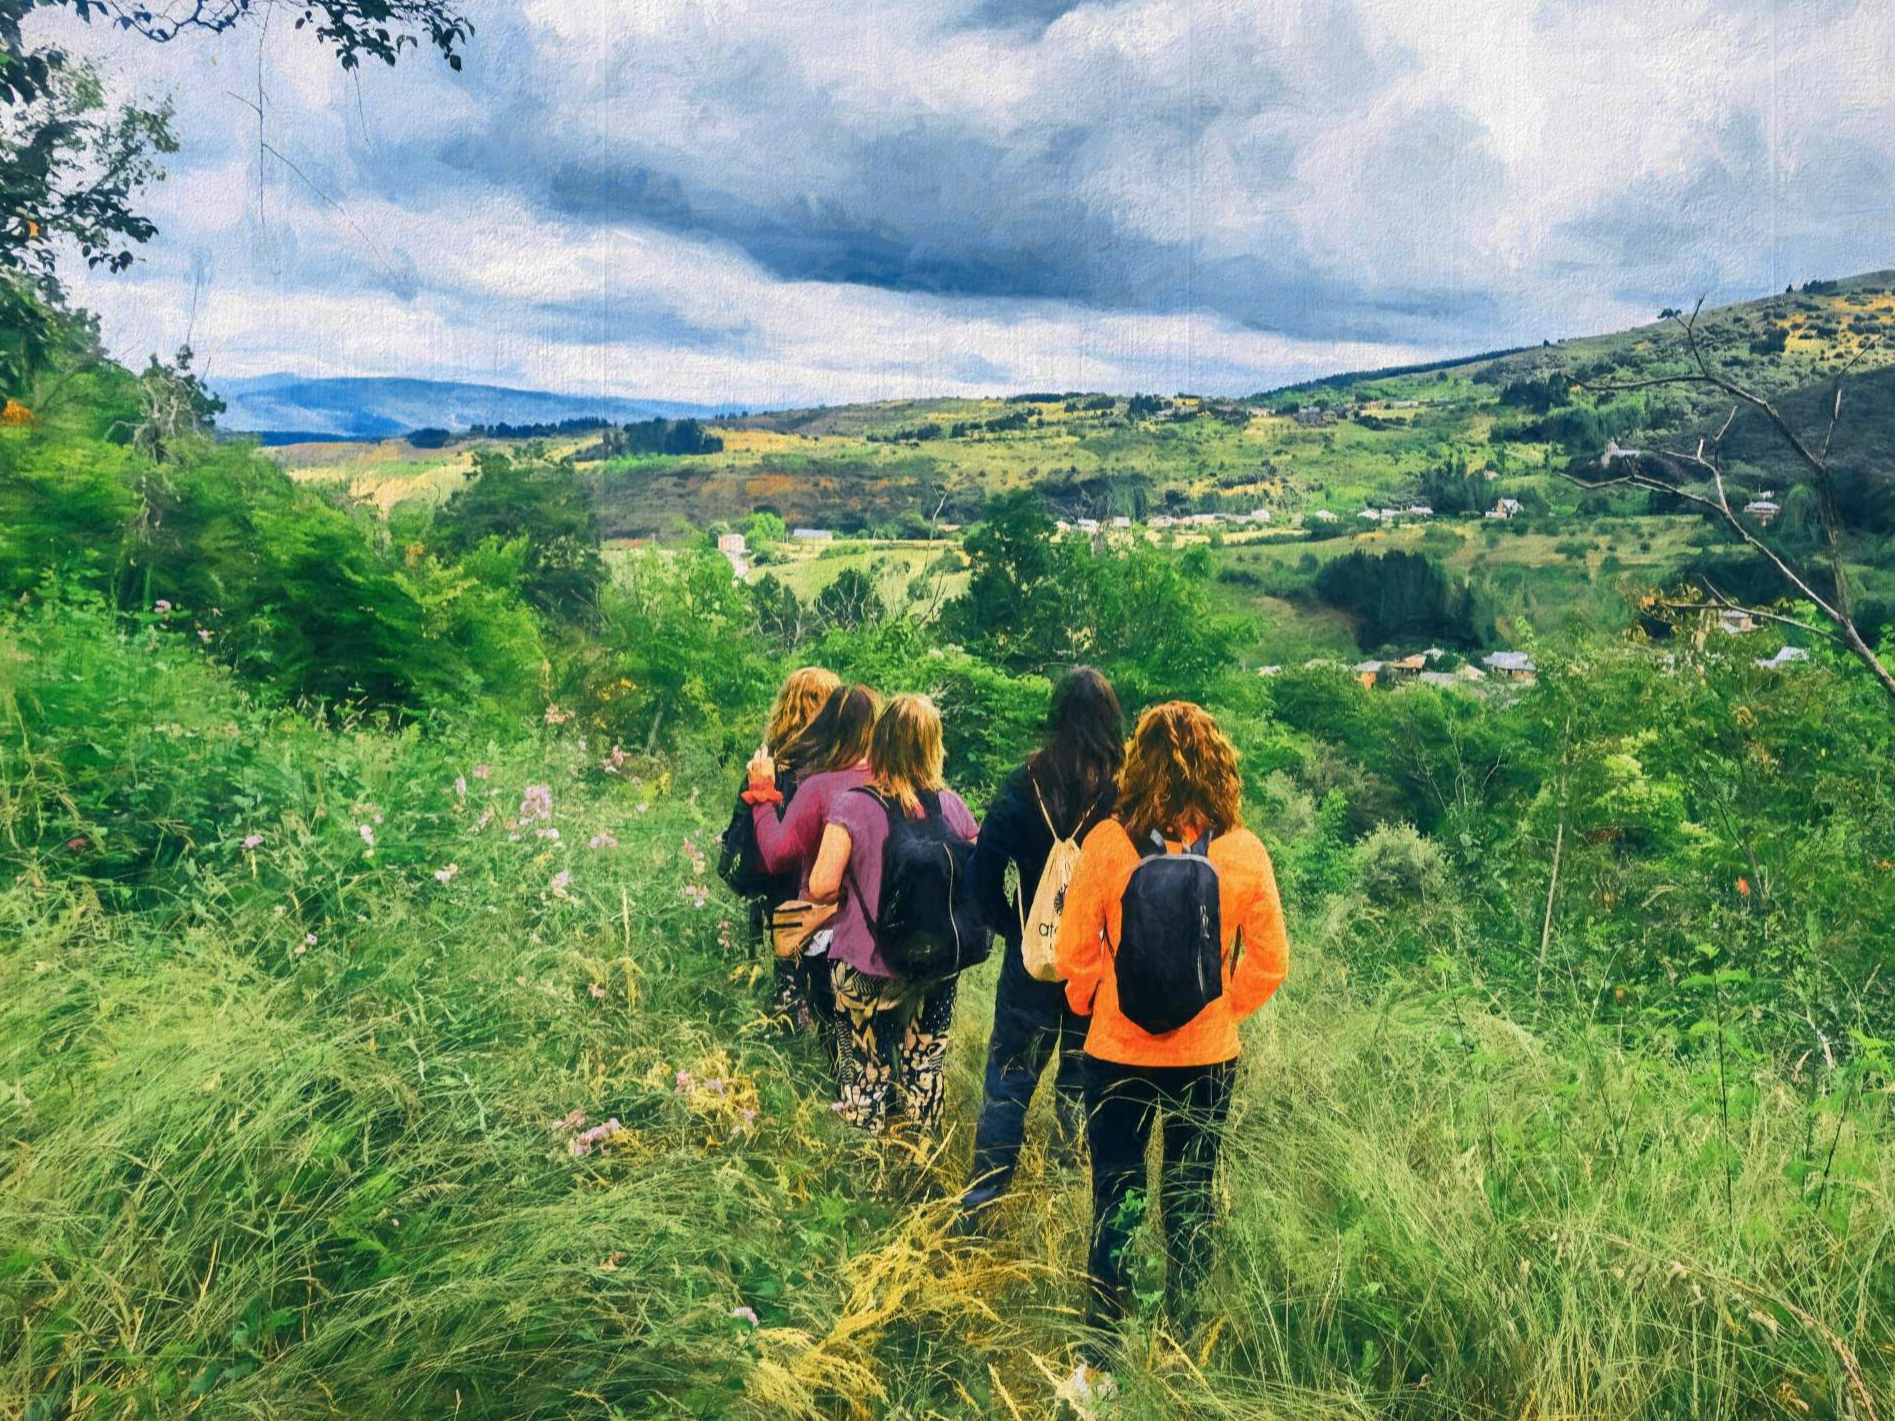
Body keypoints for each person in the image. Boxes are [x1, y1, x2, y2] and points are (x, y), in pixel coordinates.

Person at [1054, 700, 1289, 1364]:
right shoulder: (1244, 851)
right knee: (1190, 1200)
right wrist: (1218, 1008)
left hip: (1114, 1052)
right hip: (1207, 1057)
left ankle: (1100, 1354)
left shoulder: (1106, 842)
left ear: (1138, 763)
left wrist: (1097, 1001)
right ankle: (1183, 1349)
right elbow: (1271, 962)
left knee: (1114, 1198)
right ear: (1220, 768)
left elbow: (1073, 955)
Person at [959, 666, 1124, 1225]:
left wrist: (1014, 927)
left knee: (1008, 1081)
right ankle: (1065, 1203)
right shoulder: (1122, 793)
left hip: (1032, 964)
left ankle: (981, 1208)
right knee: (1079, 1081)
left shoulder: (1025, 782)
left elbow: (981, 874)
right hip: (1096, 970)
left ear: (1056, 713)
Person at [806, 694, 980, 1133]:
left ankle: (869, 1160)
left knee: (864, 1066)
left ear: (879, 743)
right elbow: (976, 874)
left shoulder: (853, 804)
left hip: (866, 967)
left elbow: (821, 885)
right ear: (933, 746)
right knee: (926, 1065)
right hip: (938, 963)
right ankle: (922, 1159)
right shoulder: (953, 806)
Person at [743, 683, 878, 1043]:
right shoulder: (891, 782)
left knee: (839, 1047)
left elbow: (777, 853)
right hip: (883, 933)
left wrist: (762, 798)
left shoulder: (820, 788)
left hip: (828, 936)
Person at [721, 667, 838, 1022]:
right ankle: (823, 1051)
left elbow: (741, 821)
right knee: (823, 984)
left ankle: (784, 1038)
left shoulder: (766, 761)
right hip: (811, 885)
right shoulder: (828, 767)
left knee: (785, 975)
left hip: (769, 886)